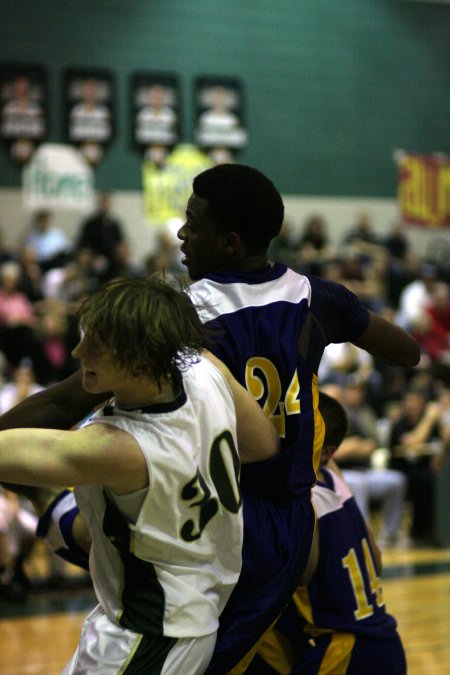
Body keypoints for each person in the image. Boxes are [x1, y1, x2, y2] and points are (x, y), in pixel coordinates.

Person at [0, 164, 420, 673]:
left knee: (117, 557)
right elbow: (406, 353)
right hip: (292, 522)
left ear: (229, 242)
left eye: (193, 224)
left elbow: (64, 401)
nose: (181, 233)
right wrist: (345, 322)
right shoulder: (314, 295)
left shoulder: (184, 315)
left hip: (222, 518)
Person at [0, 275, 279, 673]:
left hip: (148, 633)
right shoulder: (205, 366)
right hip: (184, 603)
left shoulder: (120, 448)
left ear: (139, 361)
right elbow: (263, 444)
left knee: (59, 509)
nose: (78, 352)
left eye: (95, 347)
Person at [249, 392, 407, 674]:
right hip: (386, 638)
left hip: (344, 648)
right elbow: (377, 560)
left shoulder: (305, 499)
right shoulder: (339, 483)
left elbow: (303, 574)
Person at [76, 193, 125, 277]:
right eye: (104, 203)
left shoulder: (114, 224)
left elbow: (119, 242)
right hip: (93, 258)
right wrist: (90, 256)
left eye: (107, 203)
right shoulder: (90, 224)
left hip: (112, 260)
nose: (105, 205)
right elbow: (84, 243)